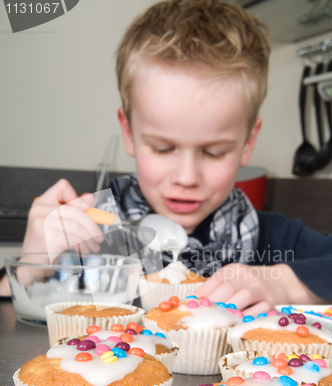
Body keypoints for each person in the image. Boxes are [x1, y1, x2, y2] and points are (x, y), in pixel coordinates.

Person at [1, 0, 332, 315]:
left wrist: (285, 285)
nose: (186, 177)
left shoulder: (270, 237)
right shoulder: (87, 227)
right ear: (129, 133)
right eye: (162, 148)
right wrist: (30, 264)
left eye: (213, 152)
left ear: (248, 142)